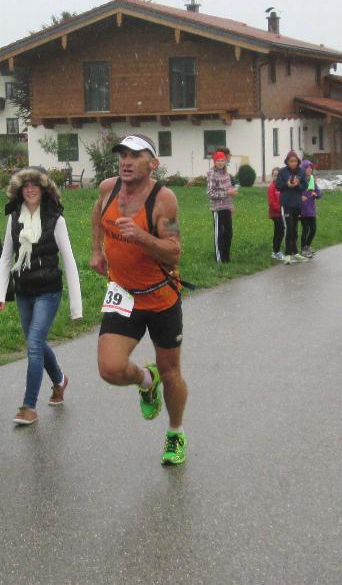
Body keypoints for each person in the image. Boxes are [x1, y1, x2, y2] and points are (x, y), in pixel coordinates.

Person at [90, 134, 188, 466]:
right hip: (123, 293)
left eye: (135, 156)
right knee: (110, 369)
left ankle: (175, 432)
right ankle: (146, 381)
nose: (126, 162)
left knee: (170, 371)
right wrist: (96, 249)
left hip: (160, 297)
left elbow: (174, 252)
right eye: (122, 155)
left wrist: (142, 236)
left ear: (153, 163)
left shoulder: (164, 200)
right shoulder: (108, 188)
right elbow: (97, 213)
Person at [0, 166, 82, 425]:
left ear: (44, 189)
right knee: (36, 343)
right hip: (24, 291)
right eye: (25, 185)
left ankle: (29, 406)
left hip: (48, 291)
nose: (30, 189)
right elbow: (6, 257)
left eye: (35, 184)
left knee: (34, 344)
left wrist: (76, 306)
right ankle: (60, 380)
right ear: (19, 190)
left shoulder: (55, 219)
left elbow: (69, 260)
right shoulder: (14, 218)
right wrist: (1, 294)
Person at [276, 150, 309, 264]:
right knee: (289, 228)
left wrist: (297, 185)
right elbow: (278, 185)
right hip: (286, 203)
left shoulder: (301, 172)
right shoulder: (282, 172)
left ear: (298, 162)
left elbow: (305, 185)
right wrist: (287, 184)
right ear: (287, 162)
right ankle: (287, 254)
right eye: (291, 161)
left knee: (295, 229)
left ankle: (295, 252)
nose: (293, 163)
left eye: (295, 161)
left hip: (297, 203)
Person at [207, 150, 238, 263]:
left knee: (228, 233)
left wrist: (231, 204)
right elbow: (210, 193)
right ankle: (219, 259)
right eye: (218, 161)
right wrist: (226, 193)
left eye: (222, 160)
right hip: (217, 208)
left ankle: (226, 258)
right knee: (219, 234)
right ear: (214, 162)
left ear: (225, 162)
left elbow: (229, 189)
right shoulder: (212, 174)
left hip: (227, 208)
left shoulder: (226, 174)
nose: (220, 163)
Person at [299, 159, 322, 258]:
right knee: (305, 229)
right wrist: (300, 197)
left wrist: (316, 194)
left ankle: (307, 246)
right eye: (307, 168)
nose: (309, 170)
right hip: (302, 209)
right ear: (303, 169)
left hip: (311, 209)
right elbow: (295, 192)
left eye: (311, 168)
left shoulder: (312, 179)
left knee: (313, 229)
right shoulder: (300, 180)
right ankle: (303, 248)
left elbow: (318, 192)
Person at [267, 167, 284, 261]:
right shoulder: (271, 187)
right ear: (272, 176)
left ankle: (276, 250)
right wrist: (280, 209)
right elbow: (272, 202)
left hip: (281, 212)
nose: (276, 177)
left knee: (280, 231)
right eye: (275, 175)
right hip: (275, 213)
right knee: (279, 230)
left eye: (278, 175)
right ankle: (276, 251)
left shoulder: (281, 187)